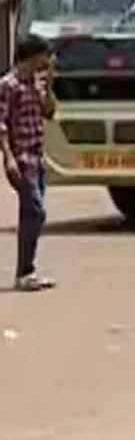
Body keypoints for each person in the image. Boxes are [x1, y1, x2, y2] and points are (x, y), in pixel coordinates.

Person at [1, 35, 57, 291]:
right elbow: (1, 125)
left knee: (31, 215)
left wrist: (49, 86)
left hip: (38, 155)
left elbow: (49, 112)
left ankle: (26, 271)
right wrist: (9, 158)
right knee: (35, 211)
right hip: (21, 158)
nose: (48, 61)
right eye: (45, 55)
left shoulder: (37, 84)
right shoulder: (8, 85)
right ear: (32, 56)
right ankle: (25, 271)